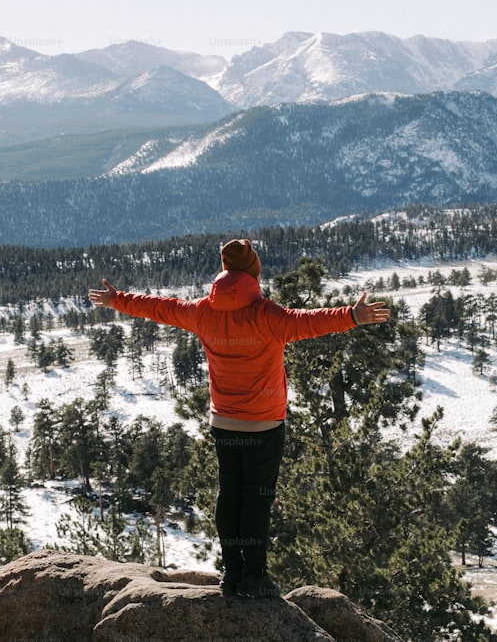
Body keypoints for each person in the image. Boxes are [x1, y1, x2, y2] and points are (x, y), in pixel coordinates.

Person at [88, 239, 390, 598]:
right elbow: (309, 322)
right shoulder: (266, 315)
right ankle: (255, 577)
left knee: (230, 496)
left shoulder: (203, 312)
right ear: (254, 272)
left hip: (224, 423)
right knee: (257, 499)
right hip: (264, 424)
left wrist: (118, 300)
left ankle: (231, 574)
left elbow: (161, 309)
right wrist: (353, 316)